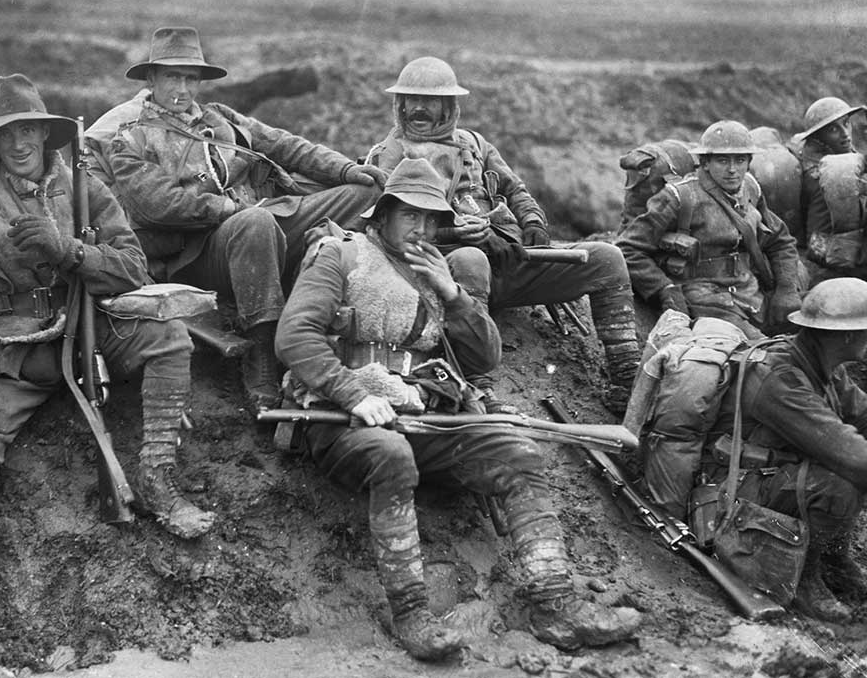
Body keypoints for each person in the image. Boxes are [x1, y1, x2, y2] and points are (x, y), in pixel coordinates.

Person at [275, 158, 642, 659]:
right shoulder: (340, 256)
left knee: (518, 453)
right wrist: (356, 394)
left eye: (431, 219)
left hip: (426, 415)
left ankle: (555, 606)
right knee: (391, 456)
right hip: (343, 420)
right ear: (381, 216)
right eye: (409, 216)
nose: (421, 229)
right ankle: (413, 616)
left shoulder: (438, 273)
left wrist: (453, 295)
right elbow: (295, 337)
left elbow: (482, 357)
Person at [0, 74, 208, 648]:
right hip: (11, 353)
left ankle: (157, 478)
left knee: (170, 337)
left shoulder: (84, 189)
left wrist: (67, 249)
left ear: (47, 136)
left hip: (86, 331)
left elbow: (133, 270)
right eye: (7, 134)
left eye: (30, 131)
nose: (20, 144)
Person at [105, 27, 387, 411]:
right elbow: (159, 205)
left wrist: (345, 171)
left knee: (364, 195)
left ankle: (337, 307)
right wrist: (230, 210)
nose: (182, 88)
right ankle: (261, 356)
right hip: (196, 254)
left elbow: (285, 145)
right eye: (172, 76)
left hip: (263, 224)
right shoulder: (131, 139)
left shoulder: (221, 119)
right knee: (255, 224)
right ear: (151, 79)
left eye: (191, 78)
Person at [366, 57, 640, 414]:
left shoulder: (474, 145)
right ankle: (478, 383)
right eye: (410, 100)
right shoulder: (388, 158)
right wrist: (454, 233)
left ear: (449, 105)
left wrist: (533, 223)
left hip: (507, 262)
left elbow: (515, 188)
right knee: (471, 258)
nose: (418, 108)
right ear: (399, 104)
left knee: (606, 258)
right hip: (445, 276)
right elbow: (384, 231)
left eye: (430, 100)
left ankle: (626, 378)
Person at [704, 277, 867, 621]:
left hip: (772, 476)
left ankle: (834, 563)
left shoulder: (821, 365)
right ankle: (805, 579)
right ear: (847, 336)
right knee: (839, 485)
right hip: (734, 494)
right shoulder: (779, 380)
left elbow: (862, 415)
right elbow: (851, 455)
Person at [618, 120, 801, 339]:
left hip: (752, 296)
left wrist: (786, 289)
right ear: (705, 163)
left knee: (816, 326)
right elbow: (627, 249)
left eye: (740, 160)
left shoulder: (750, 189)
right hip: (707, 302)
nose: (732, 170)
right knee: (762, 352)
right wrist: (664, 289)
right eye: (722, 161)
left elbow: (780, 240)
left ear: (749, 161)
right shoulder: (680, 197)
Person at [793, 97, 866, 286]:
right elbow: (815, 244)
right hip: (831, 270)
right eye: (833, 130)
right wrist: (856, 260)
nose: (845, 134)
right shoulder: (823, 178)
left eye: (846, 124)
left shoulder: (841, 158)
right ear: (817, 138)